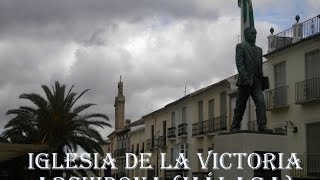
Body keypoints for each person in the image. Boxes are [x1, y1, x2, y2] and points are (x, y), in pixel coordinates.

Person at [231, 27, 273, 133]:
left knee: (261, 103)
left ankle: (262, 125)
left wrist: (262, 80)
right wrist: (245, 78)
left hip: (257, 82)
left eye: (255, 33)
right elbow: (239, 63)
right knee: (241, 105)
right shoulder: (241, 47)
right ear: (246, 35)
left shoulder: (259, 50)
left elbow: (259, 66)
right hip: (245, 82)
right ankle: (235, 126)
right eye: (252, 33)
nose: (254, 35)